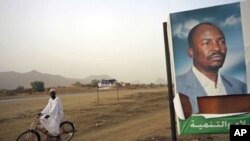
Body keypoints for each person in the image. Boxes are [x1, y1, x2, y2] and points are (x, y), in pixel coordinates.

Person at [176, 22, 247, 114]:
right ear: (191, 52)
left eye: (221, 42)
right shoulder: (177, 86)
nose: (217, 48)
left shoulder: (240, 87)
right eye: (206, 43)